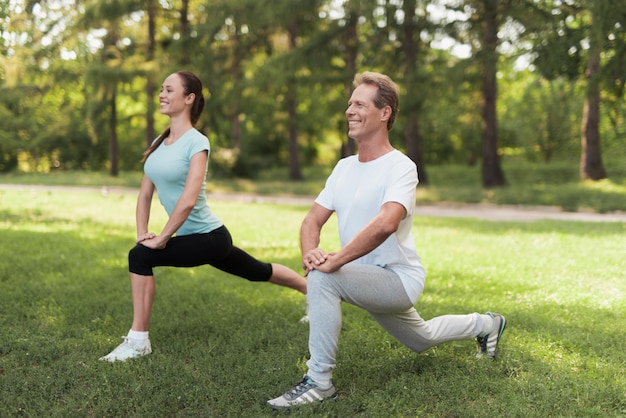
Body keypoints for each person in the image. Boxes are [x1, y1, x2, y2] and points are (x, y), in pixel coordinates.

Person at [267, 72, 506, 408]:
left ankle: (319, 382)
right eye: (349, 103)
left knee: (324, 277)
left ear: (385, 113)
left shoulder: (401, 167)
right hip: (362, 277)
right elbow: (312, 219)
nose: (349, 110)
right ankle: (487, 323)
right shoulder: (343, 168)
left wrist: (333, 261)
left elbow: (387, 222)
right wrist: (311, 253)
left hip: (397, 278)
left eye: (359, 104)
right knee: (421, 338)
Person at [100, 70, 307, 362]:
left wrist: (162, 238)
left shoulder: (198, 143)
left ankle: (138, 342)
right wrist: (142, 231)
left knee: (140, 257)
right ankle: (312, 291)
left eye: (169, 90)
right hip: (191, 236)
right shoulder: (160, 141)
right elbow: (145, 193)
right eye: (161, 89)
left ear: (189, 98)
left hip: (209, 238)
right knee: (257, 271)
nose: (162, 94)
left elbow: (188, 199)